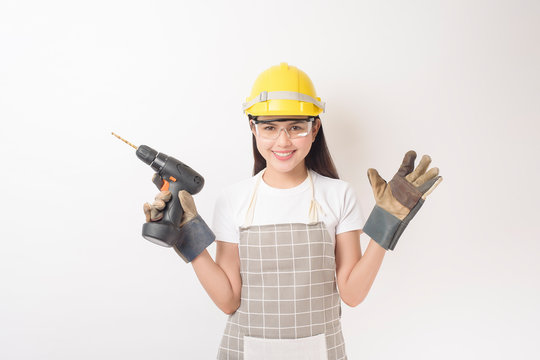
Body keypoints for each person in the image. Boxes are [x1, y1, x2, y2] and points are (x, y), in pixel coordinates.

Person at [143, 63, 442, 360]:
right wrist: (186, 238)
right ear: (252, 127)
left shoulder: (338, 194)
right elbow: (228, 300)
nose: (282, 141)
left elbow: (352, 294)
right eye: (270, 127)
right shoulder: (233, 199)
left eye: (296, 127)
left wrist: (385, 224)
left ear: (315, 128)